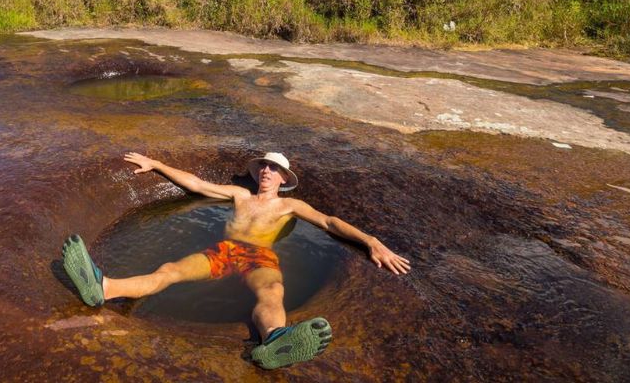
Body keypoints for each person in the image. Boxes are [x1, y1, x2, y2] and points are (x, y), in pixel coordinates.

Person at [61, 151, 411, 370]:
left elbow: (329, 223)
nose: (266, 172)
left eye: (274, 170)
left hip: (259, 255)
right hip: (223, 251)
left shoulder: (290, 206)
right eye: (264, 167)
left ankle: (275, 341)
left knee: (272, 290)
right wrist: (155, 164)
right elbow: (196, 184)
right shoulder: (240, 195)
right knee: (168, 271)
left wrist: (371, 242)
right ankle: (102, 288)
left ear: (284, 179)